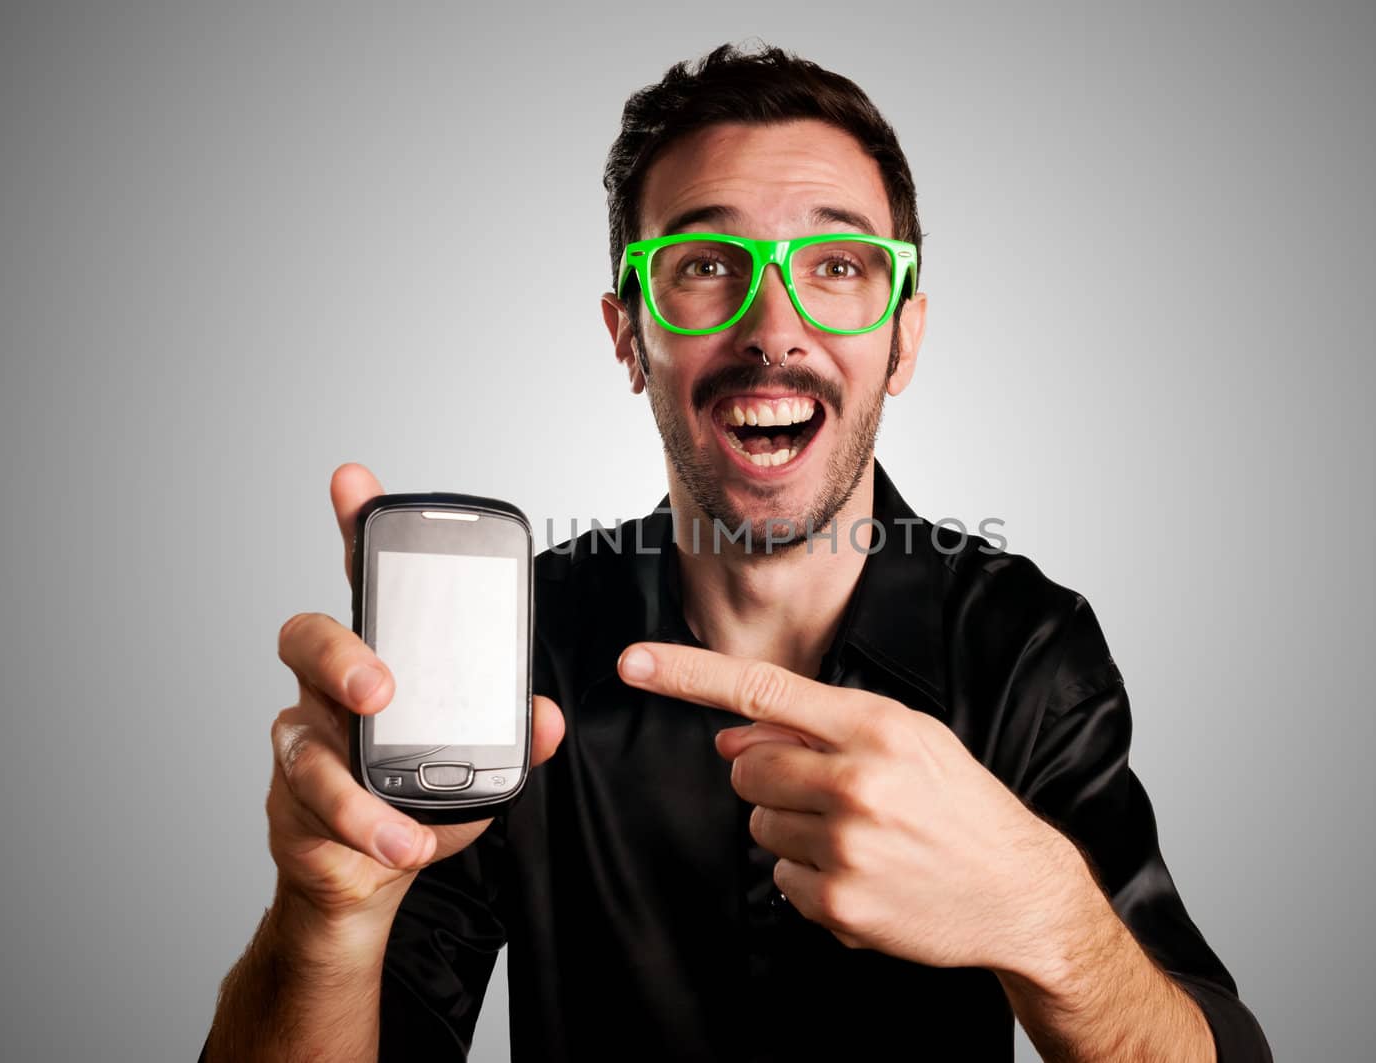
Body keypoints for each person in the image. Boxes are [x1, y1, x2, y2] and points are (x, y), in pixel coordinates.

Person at [202, 43, 1272, 1062]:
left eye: (840, 264)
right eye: (707, 262)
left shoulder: (1025, 646)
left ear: (903, 336)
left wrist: (1044, 918)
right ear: (630, 334)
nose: (774, 323)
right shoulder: (512, 657)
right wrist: (323, 915)